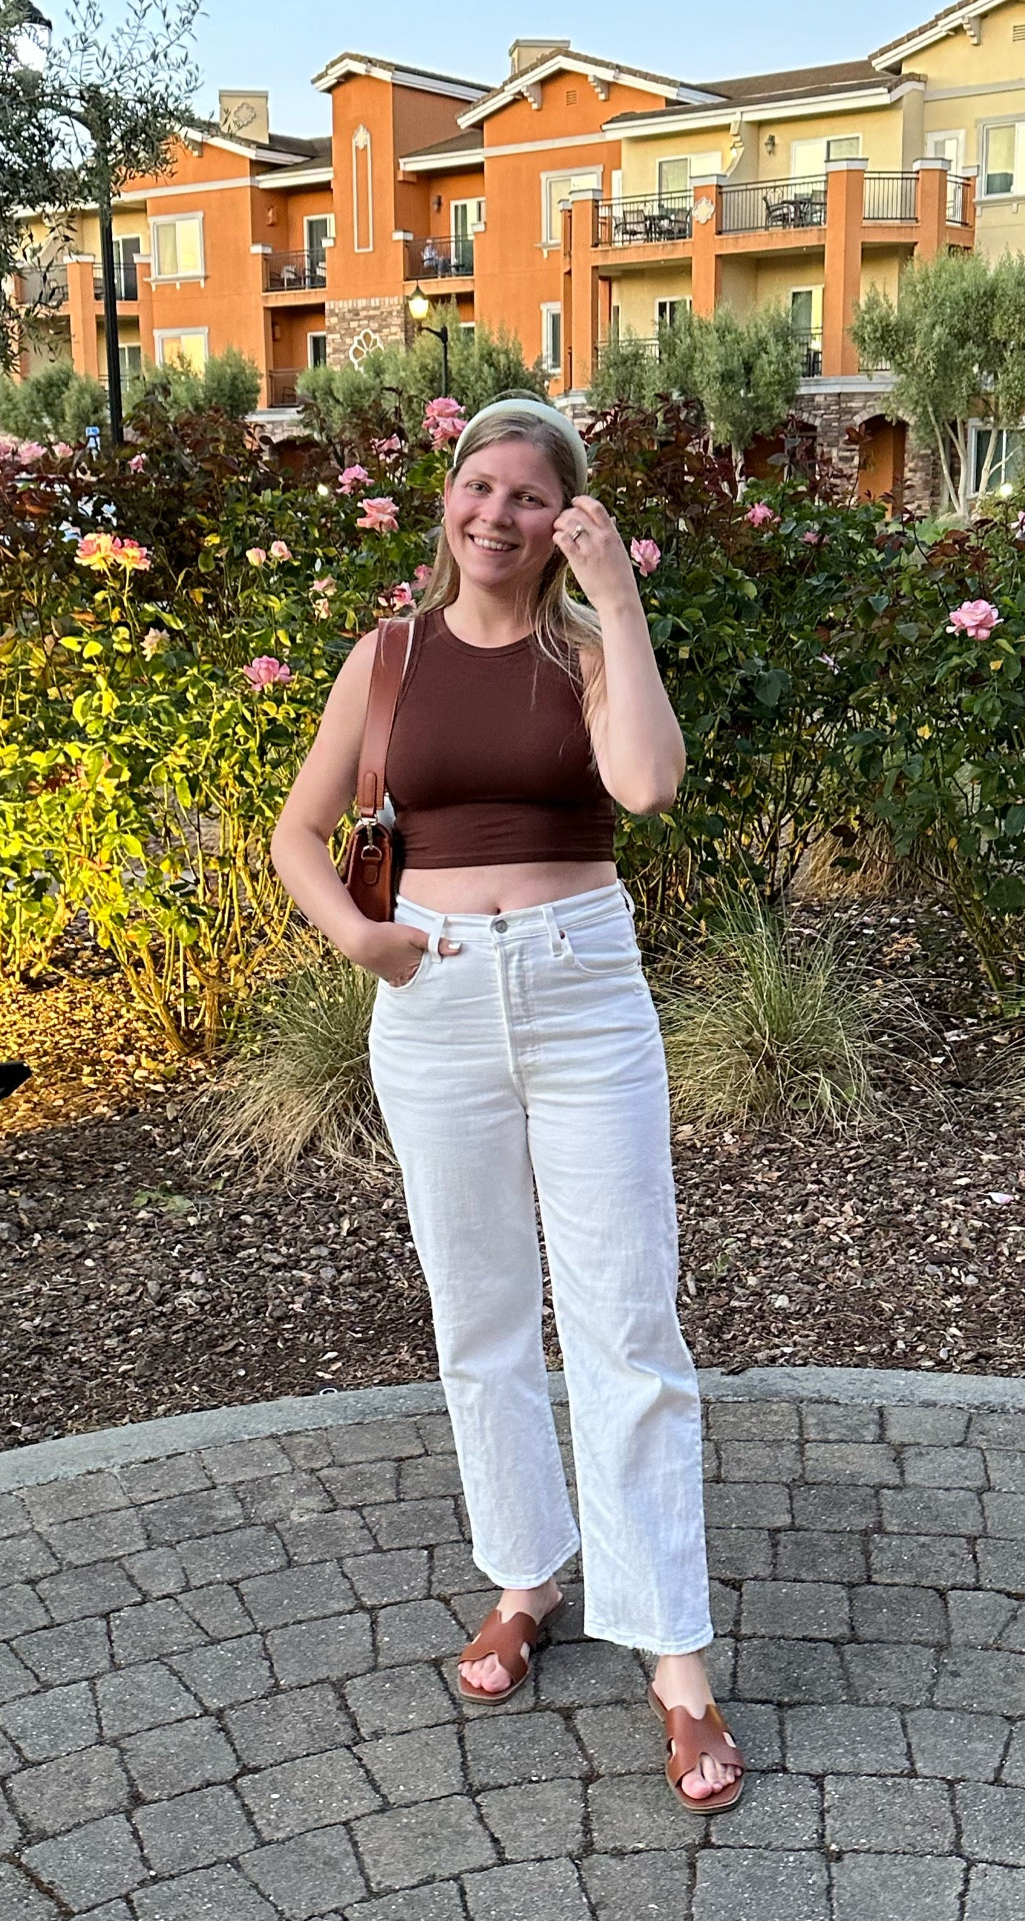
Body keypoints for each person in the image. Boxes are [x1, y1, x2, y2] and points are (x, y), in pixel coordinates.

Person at [270, 394, 743, 1812]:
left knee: (625, 1323)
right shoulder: (391, 654)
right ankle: (525, 1578)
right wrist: (361, 939)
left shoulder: (588, 645)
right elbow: (299, 833)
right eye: (478, 485)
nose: (496, 512)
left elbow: (648, 785)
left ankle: (674, 1656)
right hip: (433, 992)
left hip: (584, 987)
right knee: (478, 1312)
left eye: (530, 494)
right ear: (447, 504)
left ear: (564, 518)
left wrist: (617, 599)